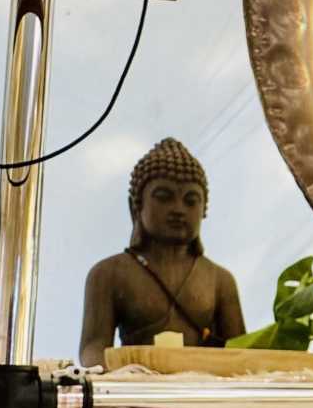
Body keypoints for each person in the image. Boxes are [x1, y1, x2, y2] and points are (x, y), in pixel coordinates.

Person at [79, 138, 244, 365]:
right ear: (136, 206)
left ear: (204, 209)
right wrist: (122, 379)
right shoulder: (108, 274)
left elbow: (240, 354)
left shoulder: (220, 280)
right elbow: (93, 349)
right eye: (164, 197)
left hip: (202, 391)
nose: (178, 210)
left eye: (190, 201)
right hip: (134, 389)